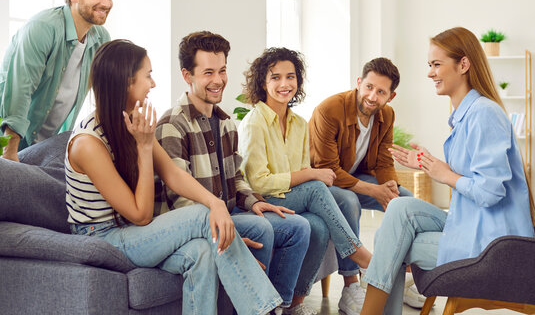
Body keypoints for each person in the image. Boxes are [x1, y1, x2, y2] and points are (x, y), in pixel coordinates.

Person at [65, 39, 282, 315]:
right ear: (127, 82)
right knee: (204, 216)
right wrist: (144, 147)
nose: (153, 84)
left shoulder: (130, 119)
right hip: (104, 238)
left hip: (129, 232)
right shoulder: (88, 143)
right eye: (148, 75)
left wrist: (216, 205)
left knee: (201, 253)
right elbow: (141, 214)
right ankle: (264, 309)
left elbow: (173, 174)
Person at [359, 27, 535, 315]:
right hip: (470, 225)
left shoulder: (483, 114)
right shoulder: (467, 114)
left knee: (389, 240)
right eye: (430, 65)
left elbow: (491, 191)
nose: (430, 73)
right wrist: (430, 163)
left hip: (492, 245)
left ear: (463, 65)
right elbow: (474, 175)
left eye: (436, 64)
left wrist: (445, 174)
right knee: (400, 208)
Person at [155, 31, 310, 309]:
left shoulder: (225, 123)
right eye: (208, 73)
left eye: (222, 70)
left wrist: (255, 202)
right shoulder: (172, 124)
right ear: (187, 75)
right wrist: (228, 231)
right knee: (260, 229)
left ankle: (278, 306)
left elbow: (235, 178)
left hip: (230, 213)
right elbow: (181, 201)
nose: (218, 80)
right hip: (197, 225)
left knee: (297, 227)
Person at [238, 47, 372, 315]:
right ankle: (357, 254)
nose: (284, 84)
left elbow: (300, 173)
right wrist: (312, 174)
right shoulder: (254, 122)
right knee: (314, 185)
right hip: (262, 201)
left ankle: (293, 305)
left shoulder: (299, 123)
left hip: (291, 197)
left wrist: (309, 176)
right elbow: (258, 182)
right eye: (275, 78)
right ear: (263, 83)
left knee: (319, 227)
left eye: (290, 77)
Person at [308, 58, 423, 312]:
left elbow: (383, 161)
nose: (372, 96)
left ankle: (399, 278)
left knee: (406, 200)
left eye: (381, 92)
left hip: (356, 179)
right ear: (359, 83)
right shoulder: (329, 110)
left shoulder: (387, 115)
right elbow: (327, 168)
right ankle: (351, 286)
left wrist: (390, 190)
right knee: (348, 201)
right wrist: (374, 190)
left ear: (390, 96)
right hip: (323, 183)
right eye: (369, 87)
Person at [0, 0, 120, 161]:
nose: (106, 3)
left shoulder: (101, 38)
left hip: (49, 144)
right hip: (8, 140)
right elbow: (20, 90)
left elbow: (105, 95)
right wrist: (9, 153)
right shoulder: (42, 28)